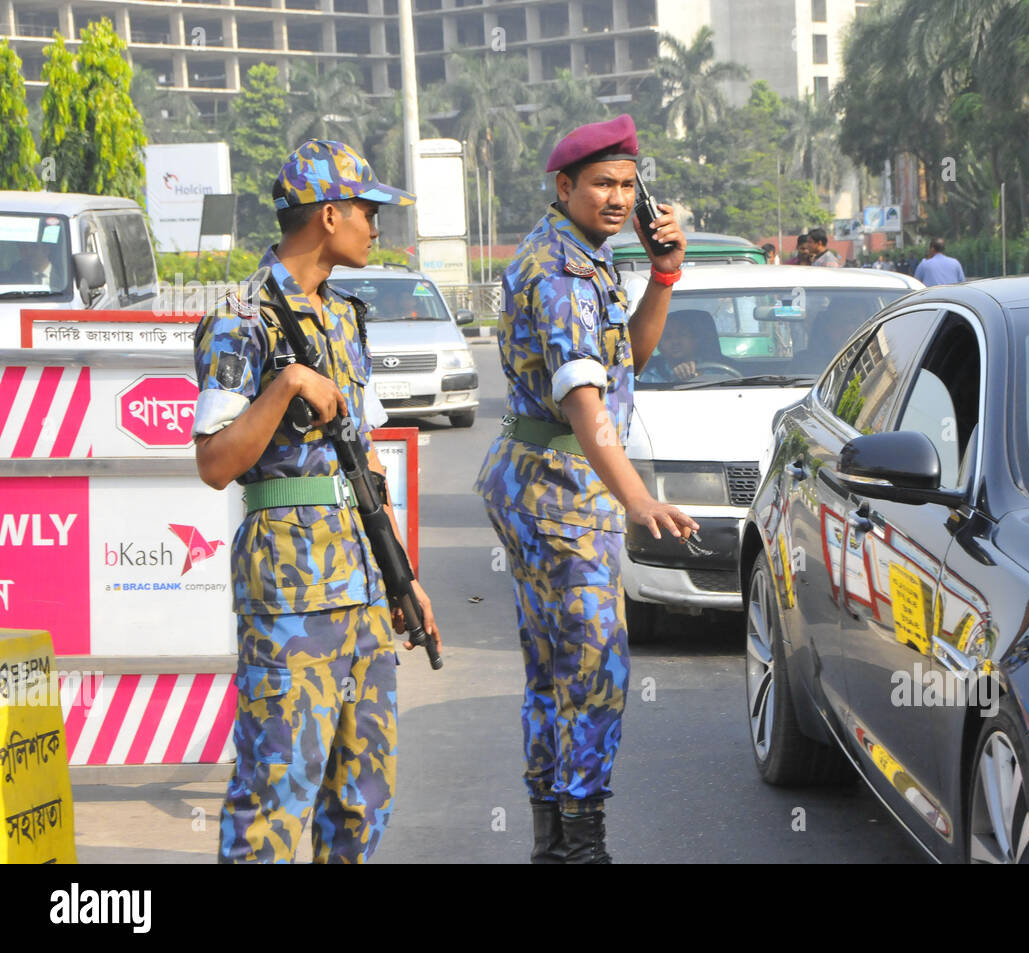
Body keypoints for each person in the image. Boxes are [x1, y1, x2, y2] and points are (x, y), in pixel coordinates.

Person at [191, 139, 439, 863]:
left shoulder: (345, 316)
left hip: (361, 590)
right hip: (292, 598)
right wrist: (287, 384)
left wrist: (403, 579)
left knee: (363, 800)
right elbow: (214, 461)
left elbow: (362, 465)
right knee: (274, 801)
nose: (376, 226)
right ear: (329, 215)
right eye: (367, 211)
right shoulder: (244, 318)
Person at [473, 114, 697, 864]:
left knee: (552, 670)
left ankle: (554, 837)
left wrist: (663, 274)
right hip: (563, 487)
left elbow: (627, 354)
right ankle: (581, 843)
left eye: (628, 186)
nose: (617, 198)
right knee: (596, 666)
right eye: (602, 183)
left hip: (546, 480)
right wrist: (638, 498)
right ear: (563, 186)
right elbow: (582, 401)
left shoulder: (586, 257)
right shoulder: (561, 271)